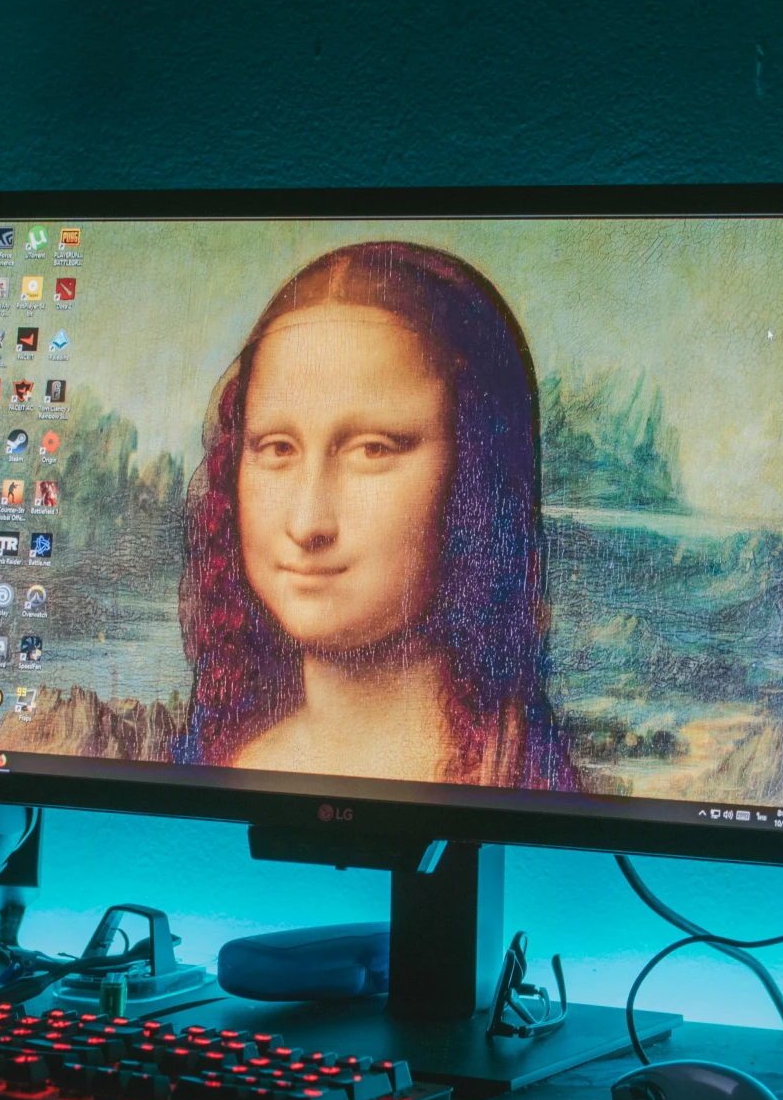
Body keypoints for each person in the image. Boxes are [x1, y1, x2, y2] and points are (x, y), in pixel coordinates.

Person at [176, 241, 580, 791]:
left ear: (470, 473)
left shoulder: (513, 776)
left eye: (374, 449)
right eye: (277, 448)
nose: (308, 523)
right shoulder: (225, 762)